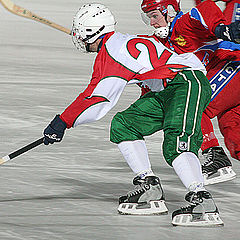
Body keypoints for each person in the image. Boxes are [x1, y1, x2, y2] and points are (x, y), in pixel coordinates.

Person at [43, 3, 223, 226]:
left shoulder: (112, 51)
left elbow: (98, 96)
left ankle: (202, 202)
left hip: (185, 83)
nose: (79, 39)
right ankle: (150, 187)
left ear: (91, 32)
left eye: (81, 33)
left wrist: (62, 122)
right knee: (124, 124)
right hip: (167, 89)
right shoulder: (122, 41)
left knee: (176, 142)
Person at [140, 0, 240, 185]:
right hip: (226, 86)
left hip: (232, 66)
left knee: (191, 104)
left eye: (155, 16)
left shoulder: (183, 24)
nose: (152, 23)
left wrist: (220, 29)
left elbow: (204, 8)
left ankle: (215, 157)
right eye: (148, 18)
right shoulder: (161, 42)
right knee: (235, 140)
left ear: (170, 11)